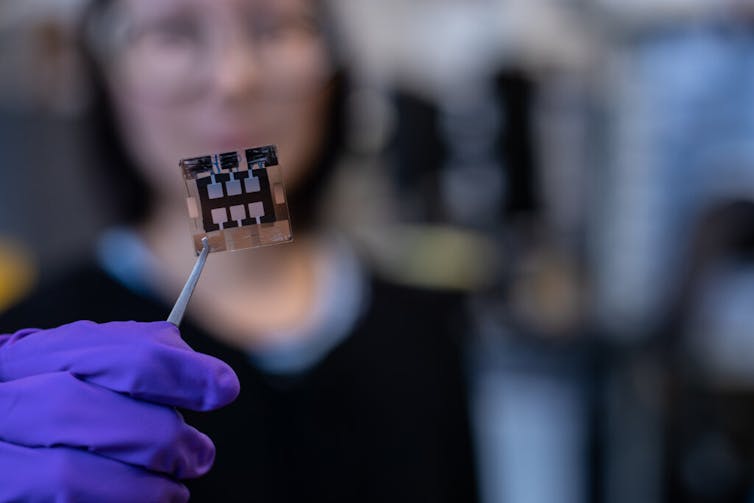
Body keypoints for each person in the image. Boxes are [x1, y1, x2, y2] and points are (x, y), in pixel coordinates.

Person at [0, 0, 478, 501]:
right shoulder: (34, 356)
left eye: (274, 29)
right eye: (174, 33)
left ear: (334, 68)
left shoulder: (437, 332)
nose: (233, 80)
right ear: (106, 77)